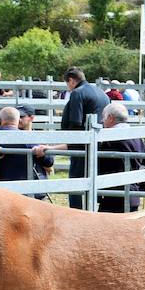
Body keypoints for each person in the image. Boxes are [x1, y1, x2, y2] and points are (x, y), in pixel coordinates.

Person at [33, 67, 109, 210]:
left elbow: (75, 122)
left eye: (67, 83)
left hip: (81, 144)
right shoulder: (102, 93)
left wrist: (66, 142)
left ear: (72, 80)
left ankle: (77, 212)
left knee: (75, 182)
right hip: (100, 143)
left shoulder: (77, 93)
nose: (68, 87)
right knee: (94, 180)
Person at [97, 102, 145, 212]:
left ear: (110, 118)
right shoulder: (135, 137)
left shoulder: (110, 139)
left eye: (104, 117)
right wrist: (139, 188)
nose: (102, 121)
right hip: (132, 196)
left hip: (114, 198)